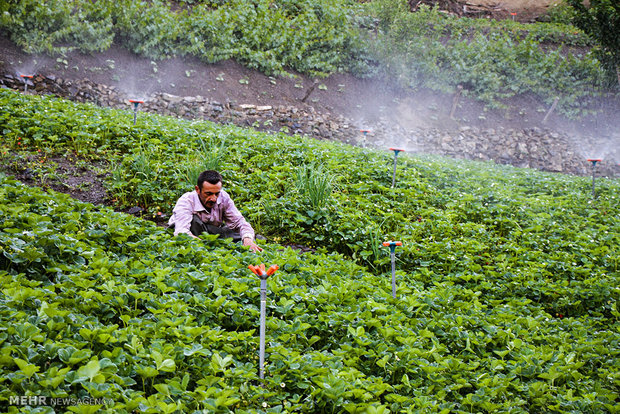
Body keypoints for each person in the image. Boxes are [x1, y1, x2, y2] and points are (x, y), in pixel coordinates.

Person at [168, 170, 262, 252]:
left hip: (212, 231)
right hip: (190, 230)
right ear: (197, 189)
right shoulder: (186, 200)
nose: (213, 198)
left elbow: (239, 222)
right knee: (194, 221)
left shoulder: (224, 197)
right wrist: (205, 246)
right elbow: (181, 232)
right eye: (208, 194)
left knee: (245, 236)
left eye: (216, 194)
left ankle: (250, 241)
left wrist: (247, 239)